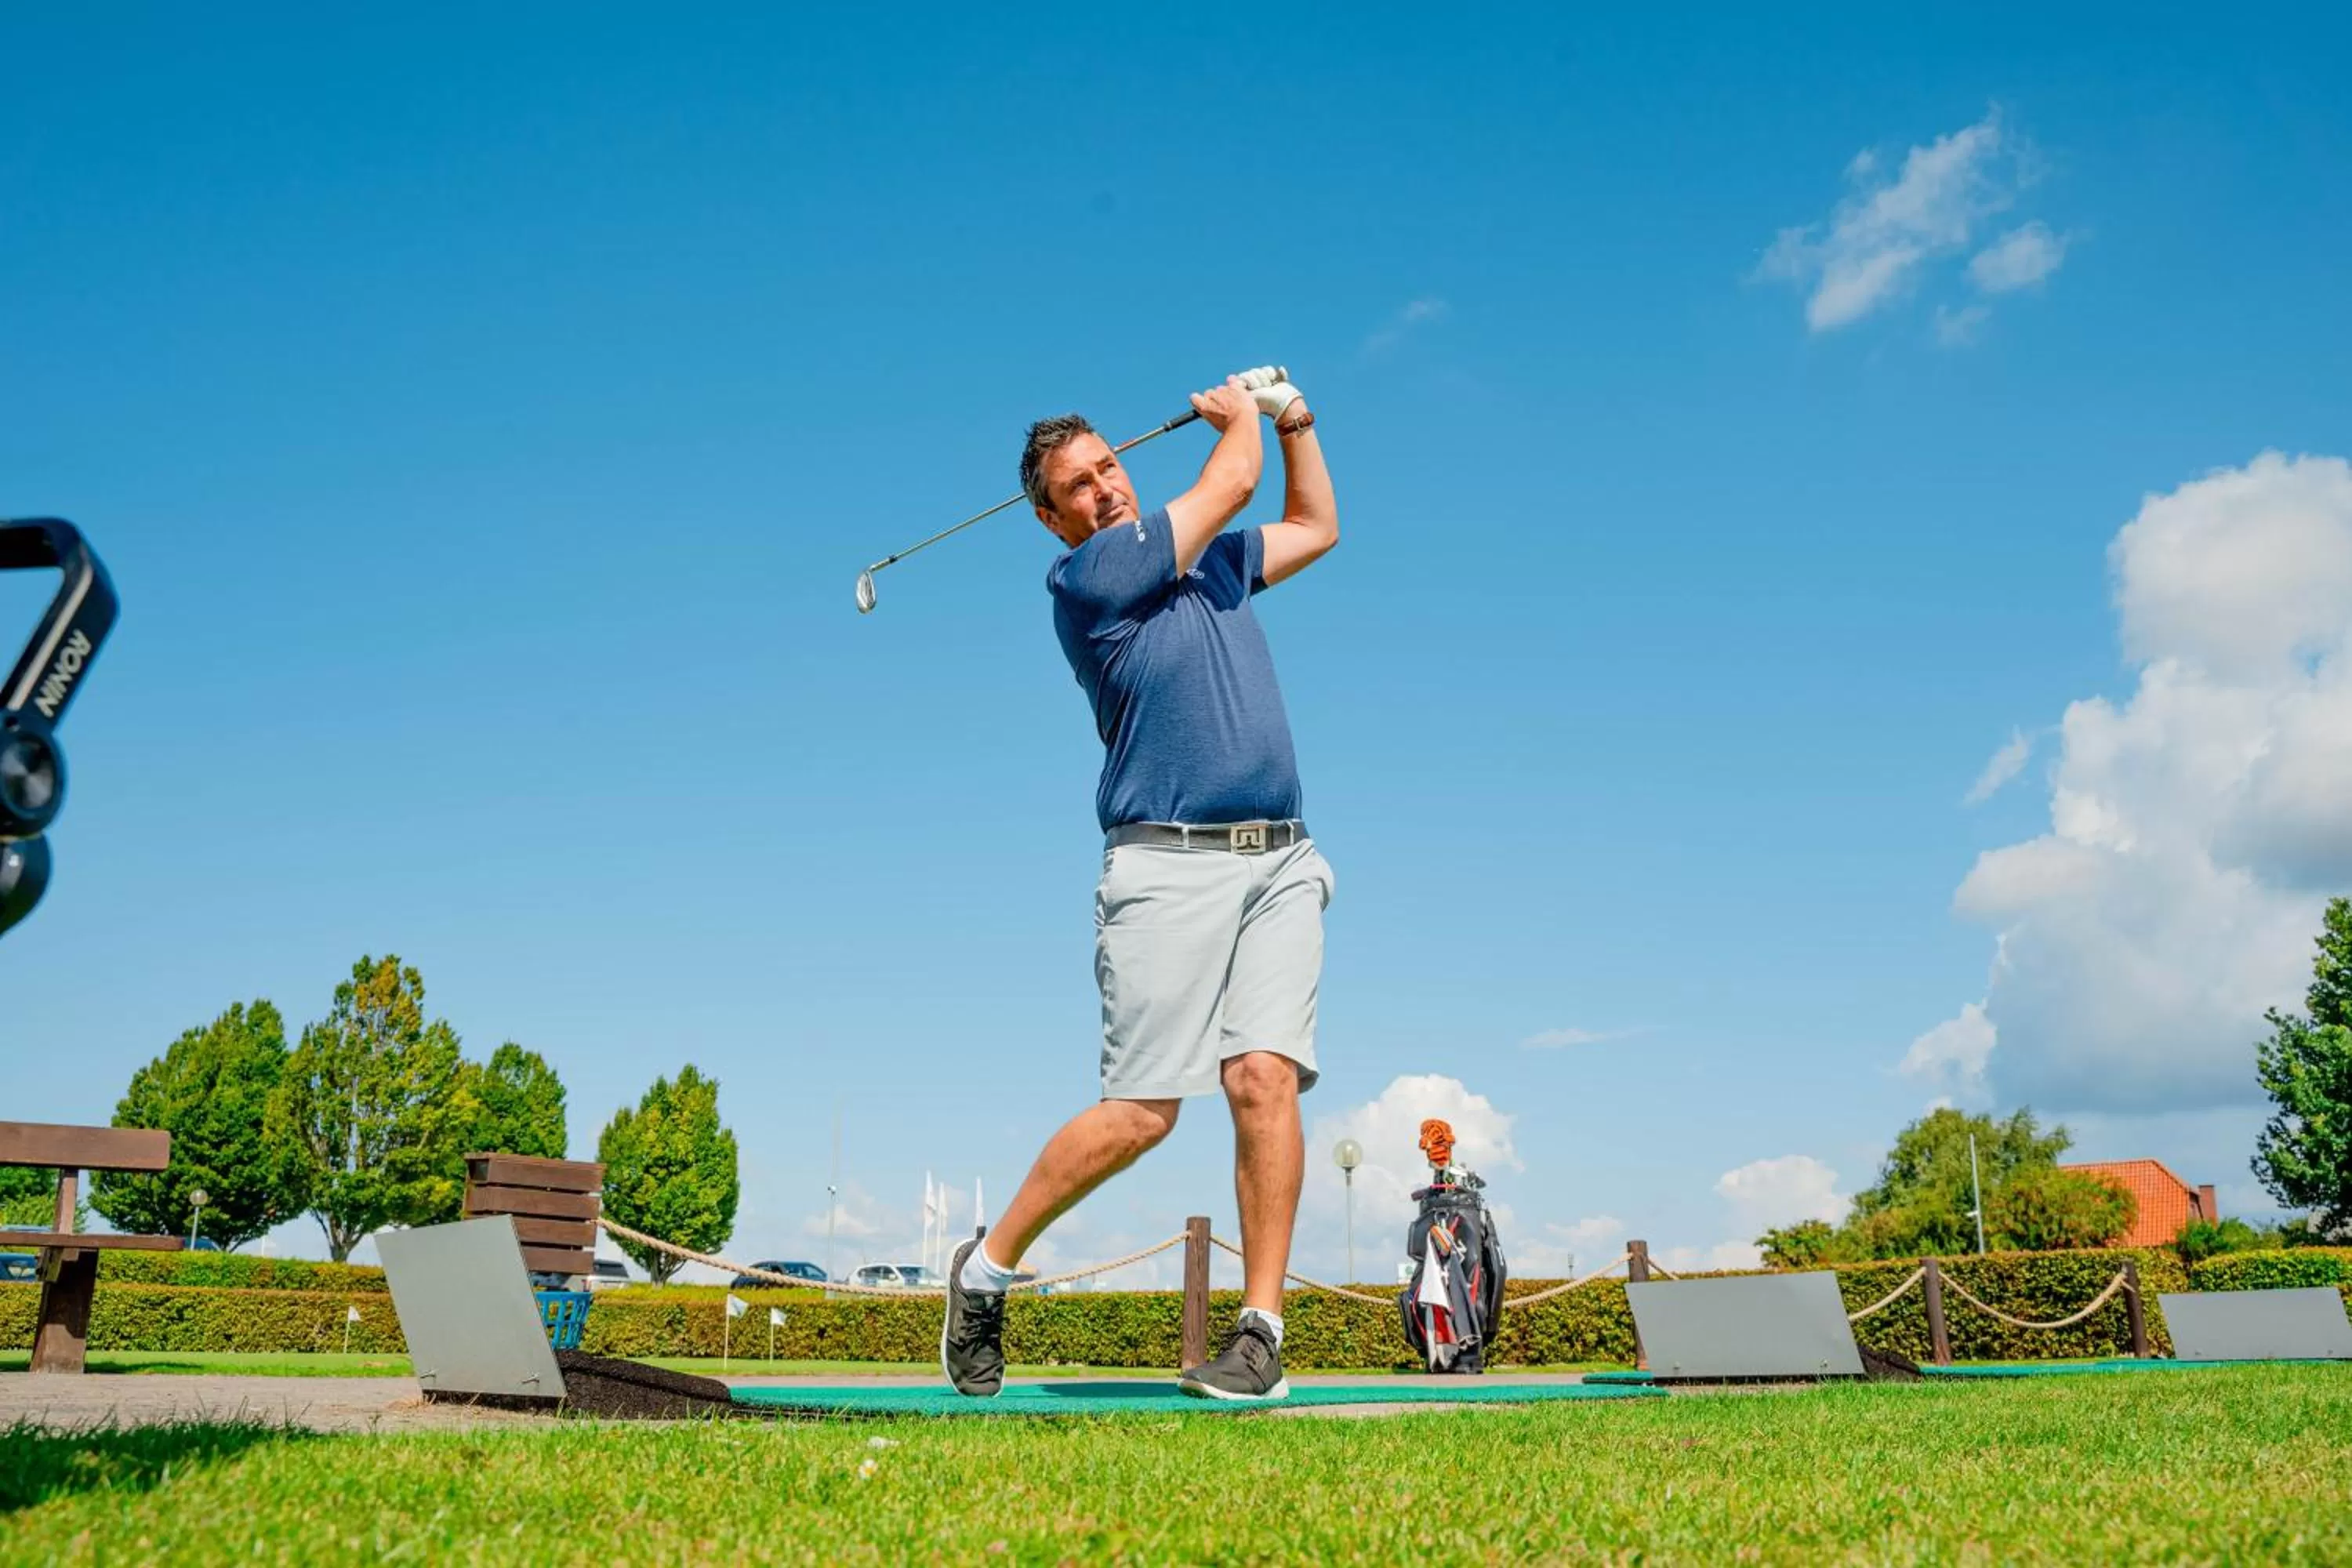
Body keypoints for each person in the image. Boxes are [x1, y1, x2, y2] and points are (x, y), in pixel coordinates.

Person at [940, 366, 1338, 1401]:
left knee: (1264, 1077)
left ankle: (1261, 1337)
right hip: (1164, 867)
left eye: (1111, 465)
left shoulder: (1211, 568)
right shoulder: (1088, 582)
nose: (1106, 487)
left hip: (1283, 860)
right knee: (1142, 1115)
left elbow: (1313, 522)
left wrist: (1298, 423)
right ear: (1049, 518)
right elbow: (1234, 481)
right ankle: (984, 1273)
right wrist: (1242, 415)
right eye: (1079, 484)